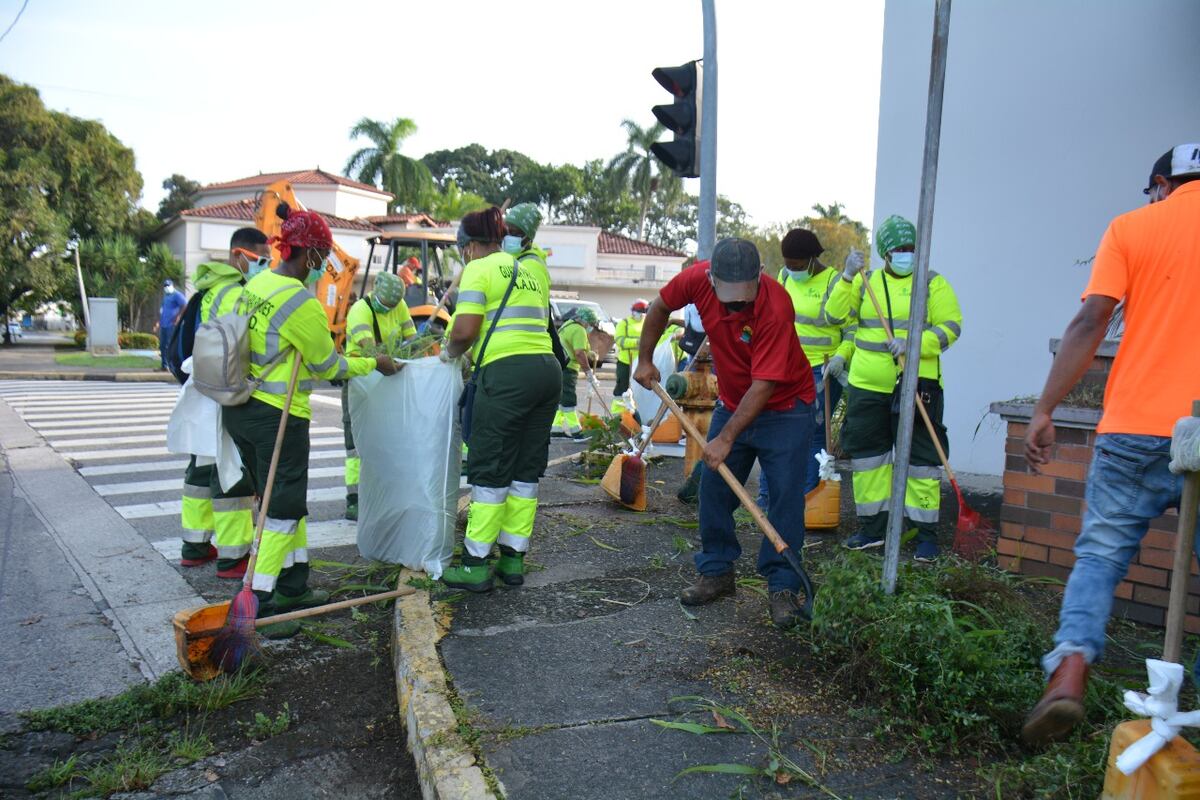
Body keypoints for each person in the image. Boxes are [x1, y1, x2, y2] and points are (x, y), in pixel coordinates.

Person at [1021, 144, 1200, 746]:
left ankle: (1070, 671)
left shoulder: (1132, 227)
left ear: (1160, 183)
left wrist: (1045, 409)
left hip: (1134, 426)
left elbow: (1092, 320)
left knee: (1098, 556)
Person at [223, 207, 398, 638]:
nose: (324, 265)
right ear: (311, 253)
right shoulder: (301, 301)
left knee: (278, 501)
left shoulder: (256, 284)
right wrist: (373, 362)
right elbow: (326, 364)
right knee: (281, 508)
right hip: (277, 413)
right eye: (322, 256)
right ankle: (260, 603)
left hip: (240, 406)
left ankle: (294, 584)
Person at [634, 238, 816, 628]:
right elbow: (660, 307)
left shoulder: (776, 306)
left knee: (784, 494)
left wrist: (727, 437)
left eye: (743, 300)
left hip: (785, 408)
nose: (737, 307)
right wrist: (645, 358)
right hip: (734, 401)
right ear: (711, 279)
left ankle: (783, 584)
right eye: (729, 300)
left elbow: (764, 385)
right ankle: (717, 569)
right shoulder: (696, 279)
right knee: (713, 487)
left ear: (760, 277)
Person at [824, 215, 962, 563]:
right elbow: (834, 317)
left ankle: (925, 536)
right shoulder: (865, 281)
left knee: (921, 461)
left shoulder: (932, 283)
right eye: (899, 249)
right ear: (885, 253)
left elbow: (952, 327)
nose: (906, 254)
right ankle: (872, 529)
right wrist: (846, 276)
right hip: (868, 387)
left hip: (919, 385)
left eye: (911, 248)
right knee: (870, 460)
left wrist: (915, 342)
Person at [440, 206, 560, 593]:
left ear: (472, 245)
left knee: (491, 469)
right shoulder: (530, 270)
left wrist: (447, 353)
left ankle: (475, 563)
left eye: (463, 247)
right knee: (525, 471)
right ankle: (513, 558)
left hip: (507, 375)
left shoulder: (480, 268)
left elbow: (465, 330)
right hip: (547, 372)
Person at [180, 228, 271, 577]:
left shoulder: (209, 290)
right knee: (229, 468)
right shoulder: (236, 293)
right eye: (260, 260)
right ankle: (234, 558)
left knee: (201, 466)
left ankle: (195, 545)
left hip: (202, 385)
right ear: (238, 255)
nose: (263, 266)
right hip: (224, 388)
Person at [757, 228, 857, 510]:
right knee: (774, 431)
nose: (791, 269)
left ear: (813, 259)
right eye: (787, 263)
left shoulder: (834, 281)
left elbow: (850, 331)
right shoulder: (786, 276)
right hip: (784, 367)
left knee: (812, 435)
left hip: (820, 370)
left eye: (798, 265)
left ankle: (807, 503)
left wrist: (840, 357)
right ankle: (767, 500)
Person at [341, 271, 417, 520]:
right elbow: (370, 351)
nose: (390, 310)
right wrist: (393, 362)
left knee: (387, 439)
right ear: (375, 296)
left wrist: (417, 353)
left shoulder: (399, 305)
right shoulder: (360, 311)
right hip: (360, 380)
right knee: (356, 445)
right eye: (386, 306)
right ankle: (353, 500)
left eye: (393, 306)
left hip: (388, 378)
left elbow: (412, 338)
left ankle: (384, 494)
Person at [552, 307, 597, 439]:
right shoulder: (579, 330)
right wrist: (589, 373)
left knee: (561, 400)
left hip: (559, 366)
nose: (590, 326)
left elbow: (573, 346)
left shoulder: (567, 325)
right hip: (569, 368)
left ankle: (556, 428)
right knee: (569, 399)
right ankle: (576, 431)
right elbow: (578, 353)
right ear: (584, 320)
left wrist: (589, 353)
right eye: (589, 323)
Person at [613, 299, 648, 414]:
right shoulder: (624, 323)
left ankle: (635, 415)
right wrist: (636, 342)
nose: (641, 314)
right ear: (633, 311)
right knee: (622, 388)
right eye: (639, 311)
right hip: (625, 361)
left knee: (639, 390)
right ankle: (617, 414)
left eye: (643, 311)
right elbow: (619, 340)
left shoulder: (647, 323)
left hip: (641, 362)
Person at [156, 279, 187, 370]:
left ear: (172, 285)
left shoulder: (177, 295)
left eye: (168, 286)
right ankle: (164, 365)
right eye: (165, 286)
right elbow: (162, 311)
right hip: (164, 324)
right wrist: (158, 322)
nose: (167, 288)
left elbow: (184, 305)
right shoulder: (166, 297)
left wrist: (178, 317)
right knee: (162, 345)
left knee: (169, 345)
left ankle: (171, 365)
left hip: (171, 325)